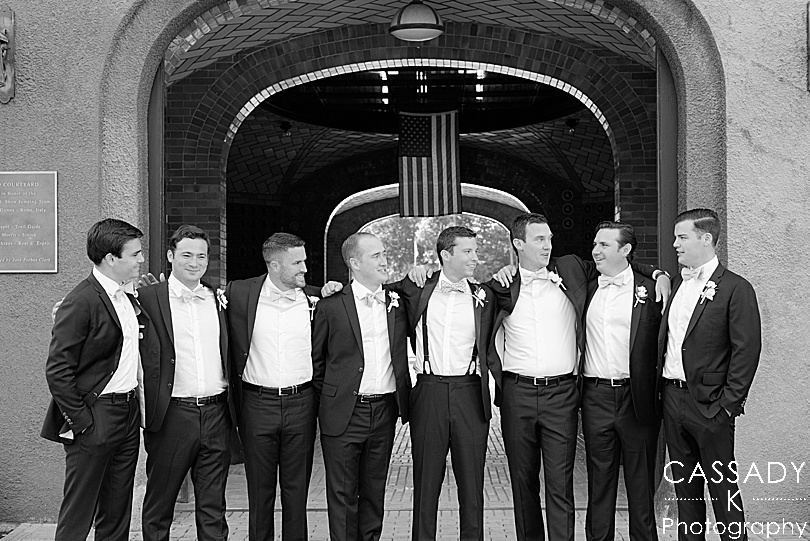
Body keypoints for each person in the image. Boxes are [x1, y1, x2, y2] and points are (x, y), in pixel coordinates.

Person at [489, 212, 668, 541]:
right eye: (539, 239)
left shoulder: (571, 269)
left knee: (561, 482)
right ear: (518, 244)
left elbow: (621, 265)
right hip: (519, 394)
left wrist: (658, 273)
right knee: (524, 482)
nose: (548, 245)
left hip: (563, 395)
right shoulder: (502, 285)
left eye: (550, 238)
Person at [42, 218, 151, 541]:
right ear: (111, 258)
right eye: (135, 254)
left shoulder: (127, 296)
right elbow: (57, 370)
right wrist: (83, 422)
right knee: (79, 512)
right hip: (95, 415)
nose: (141, 259)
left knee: (117, 509)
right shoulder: (81, 300)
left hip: (127, 413)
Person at [657, 208, 760, 541]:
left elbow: (746, 351)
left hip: (712, 407)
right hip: (673, 400)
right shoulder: (675, 283)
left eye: (682, 237)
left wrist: (728, 406)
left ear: (705, 239)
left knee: (723, 492)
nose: (675, 244)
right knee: (686, 494)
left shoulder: (735, 288)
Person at [397, 225, 496, 541]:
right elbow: (371, 289)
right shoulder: (417, 288)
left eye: (475, 251)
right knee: (426, 485)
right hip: (429, 392)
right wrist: (327, 288)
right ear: (445, 255)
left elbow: (524, 284)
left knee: (472, 487)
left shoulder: (485, 295)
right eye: (467, 251)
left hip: (470, 393)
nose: (475, 258)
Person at [311, 232, 412, 541]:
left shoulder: (398, 302)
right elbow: (317, 363)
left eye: (384, 254)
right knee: (342, 495)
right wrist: (332, 399)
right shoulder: (330, 305)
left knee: (373, 492)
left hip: (384, 411)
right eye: (376, 256)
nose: (384, 260)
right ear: (354, 263)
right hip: (344, 411)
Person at [138, 225, 235, 541]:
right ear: (170, 256)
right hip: (172, 416)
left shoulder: (218, 299)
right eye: (187, 255)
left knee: (213, 507)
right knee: (160, 504)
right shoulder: (147, 298)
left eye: (201, 256)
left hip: (217, 414)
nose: (195, 263)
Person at [225, 233, 324, 541]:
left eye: (304, 261)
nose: (305, 268)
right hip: (256, 405)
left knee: (297, 493)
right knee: (259, 493)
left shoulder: (317, 298)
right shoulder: (239, 293)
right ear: (274, 265)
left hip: (302, 404)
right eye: (297, 262)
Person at [580, 221, 662, 541]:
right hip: (595, 396)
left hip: (636, 398)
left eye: (604, 245)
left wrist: (657, 273)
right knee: (599, 484)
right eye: (595, 244)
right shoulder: (585, 284)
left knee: (641, 485)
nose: (596, 251)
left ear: (625, 250)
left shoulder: (651, 289)